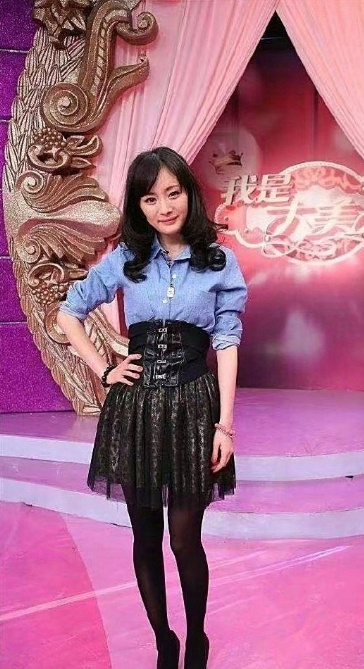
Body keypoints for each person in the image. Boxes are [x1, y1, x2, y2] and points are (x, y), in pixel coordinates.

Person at [57, 146, 247, 669]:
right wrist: (104, 369)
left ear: (189, 193)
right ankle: (164, 639)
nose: (164, 207)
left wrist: (225, 425)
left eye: (172, 193)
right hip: (135, 410)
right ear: (138, 206)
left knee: (185, 539)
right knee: (145, 536)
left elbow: (227, 343)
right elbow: (69, 313)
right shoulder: (126, 259)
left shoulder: (219, 262)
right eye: (150, 198)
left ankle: (197, 638)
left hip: (193, 407)